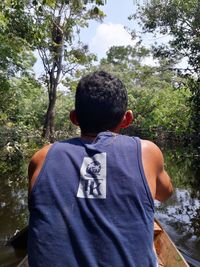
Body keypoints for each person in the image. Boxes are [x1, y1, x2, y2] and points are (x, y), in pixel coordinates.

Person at [28, 71, 173, 267]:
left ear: (74, 118)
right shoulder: (147, 152)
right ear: (127, 119)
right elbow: (165, 194)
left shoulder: (42, 157)